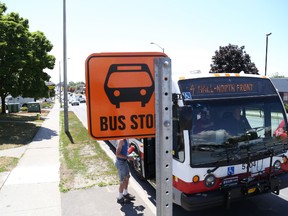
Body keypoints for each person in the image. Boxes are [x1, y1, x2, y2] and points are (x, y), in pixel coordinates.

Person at [115, 139, 136, 204]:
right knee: (123, 181)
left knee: (127, 177)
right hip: (121, 163)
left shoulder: (125, 139)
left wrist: (130, 150)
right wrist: (128, 157)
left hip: (124, 162)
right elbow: (117, 154)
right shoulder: (121, 141)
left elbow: (124, 151)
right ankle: (120, 198)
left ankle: (125, 193)